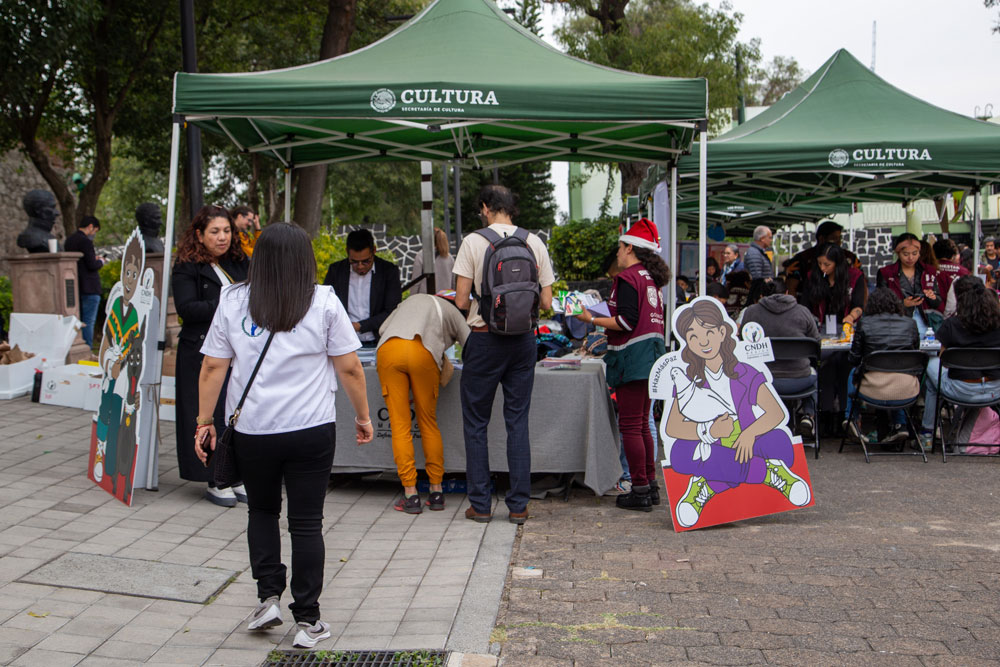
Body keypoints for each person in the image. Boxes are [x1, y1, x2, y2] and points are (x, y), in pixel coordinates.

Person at [195, 222, 372, 649]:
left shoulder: (234, 300)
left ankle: (267, 598)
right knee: (307, 523)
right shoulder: (324, 301)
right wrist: (363, 416)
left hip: (254, 429)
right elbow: (349, 367)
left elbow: (213, 367)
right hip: (311, 429)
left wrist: (204, 422)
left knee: (261, 512)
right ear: (304, 259)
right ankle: (308, 621)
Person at [454, 184, 554, 525]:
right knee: (517, 422)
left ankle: (480, 504)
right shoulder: (534, 242)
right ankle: (518, 505)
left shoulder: (473, 241)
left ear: (485, 207)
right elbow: (546, 303)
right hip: (524, 342)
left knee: (476, 424)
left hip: (484, 340)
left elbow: (461, 300)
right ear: (512, 208)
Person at [666, 299, 809, 529]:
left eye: (709, 332)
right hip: (711, 443)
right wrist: (708, 431)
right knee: (680, 454)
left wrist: (749, 434)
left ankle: (706, 485)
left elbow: (775, 413)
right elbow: (673, 427)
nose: (703, 342)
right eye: (693, 336)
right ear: (687, 344)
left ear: (722, 332)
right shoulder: (688, 378)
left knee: (780, 443)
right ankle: (771, 474)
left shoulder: (744, 372)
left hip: (745, 441)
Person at [575, 218, 668, 512]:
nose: (617, 252)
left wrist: (590, 319)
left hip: (632, 359)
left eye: (619, 246)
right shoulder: (649, 279)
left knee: (631, 425)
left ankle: (639, 489)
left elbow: (625, 321)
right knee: (643, 423)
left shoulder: (628, 277)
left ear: (630, 247)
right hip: (650, 358)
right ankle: (649, 486)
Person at [171, 204, 249, 507]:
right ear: (199, 235)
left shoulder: (240, 261)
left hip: (239, 351)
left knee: (234, 414)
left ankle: (237, 474)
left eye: (227, 231)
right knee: (209, 413)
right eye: (215, 232)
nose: (222, 237)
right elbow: (187, 310)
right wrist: (228, 303)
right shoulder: (187, 266)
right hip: (201, 351)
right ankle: (214, 478)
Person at [377, 293, 469, 513]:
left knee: (400, 426)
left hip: (389, 350)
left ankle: (411, 495)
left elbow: (382, 329)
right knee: (428, 422)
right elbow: (470, 344)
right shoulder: (453, 312)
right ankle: (436, 492)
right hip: (423, 353)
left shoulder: (409, 300)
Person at [920, 281, 1000, 441]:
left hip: (961, 388)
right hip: (995, 390)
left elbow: (940, 354)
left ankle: (927, 433)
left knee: (930, 367)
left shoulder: (952, 325)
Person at [741, 279, 821, 438]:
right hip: (800, 379)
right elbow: (816, 343)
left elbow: (744, 344)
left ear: (762, 295)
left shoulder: (751, 312)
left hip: (763, 382)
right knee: (815, 373)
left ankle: (765, 423)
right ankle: (808, 415)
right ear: (787, 293)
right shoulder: (802, 312)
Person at [843, 288, 920, 446]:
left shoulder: (865, 324)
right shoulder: (911, 324)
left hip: (873, 387)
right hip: (906, 388)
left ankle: (851, 417)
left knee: (852, 372)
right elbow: (915, 355)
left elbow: (854, 359)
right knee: (896, 373)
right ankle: (901, 424)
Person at [323, 229, 402, 347]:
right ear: (347, 253)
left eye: (366, 261)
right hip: (343, 342)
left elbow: (392, 311)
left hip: (379, 340)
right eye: (354, 262)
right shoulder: (336, 271)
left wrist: (359, 326)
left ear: (374, 251)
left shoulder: (388, 271)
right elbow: (326, 304)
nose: (360, 266)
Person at [876, 232, 940, 330]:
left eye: (914, 253)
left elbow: (938, 302)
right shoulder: (886, 273)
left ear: (919, 253)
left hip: (926, 324)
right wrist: (902, 304)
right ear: (898, 253)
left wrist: (932, 297)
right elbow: (880, 303)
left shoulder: (928, 271)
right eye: (905, 254)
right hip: (896, 324)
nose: (910, 258)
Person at [799, 243, 867, 330]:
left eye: (827, 265)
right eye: (819, 263)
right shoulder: (812, 276)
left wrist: (851, 317)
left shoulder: (854, 276)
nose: (822, 268)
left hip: (846, 327)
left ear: (837, 263)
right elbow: (804, 306)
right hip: (817, 328)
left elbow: (858, 306)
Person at [784, 221, 860, 296]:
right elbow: (791, 287)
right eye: (834, 239)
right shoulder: (802, 258)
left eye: (840, 239)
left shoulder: (849, 258)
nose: (839, 243)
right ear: (822, 239)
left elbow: (862, 283)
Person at [64, 215, 105, 347]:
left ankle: (77, 347)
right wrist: (101, 261)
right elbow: (92, 265)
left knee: (77, 320)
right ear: (91, 227)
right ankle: (87, 348)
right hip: (90, 287)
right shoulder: (85, 242)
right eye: (95, 231)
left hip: (75, 286)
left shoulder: (69, 241)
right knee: (89, 321)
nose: (94, 234)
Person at [411, 227, 455, 294]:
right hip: (445, 300)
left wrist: (412, 298)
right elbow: (453, 283)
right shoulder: (450, 258)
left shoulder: (421, 256)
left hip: (426, 299)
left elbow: (416, 282)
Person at [933, 238, 969, 310]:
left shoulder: (929, 270)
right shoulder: (963, 271)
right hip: (958, 312)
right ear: (953, 254)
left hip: (934, 313)